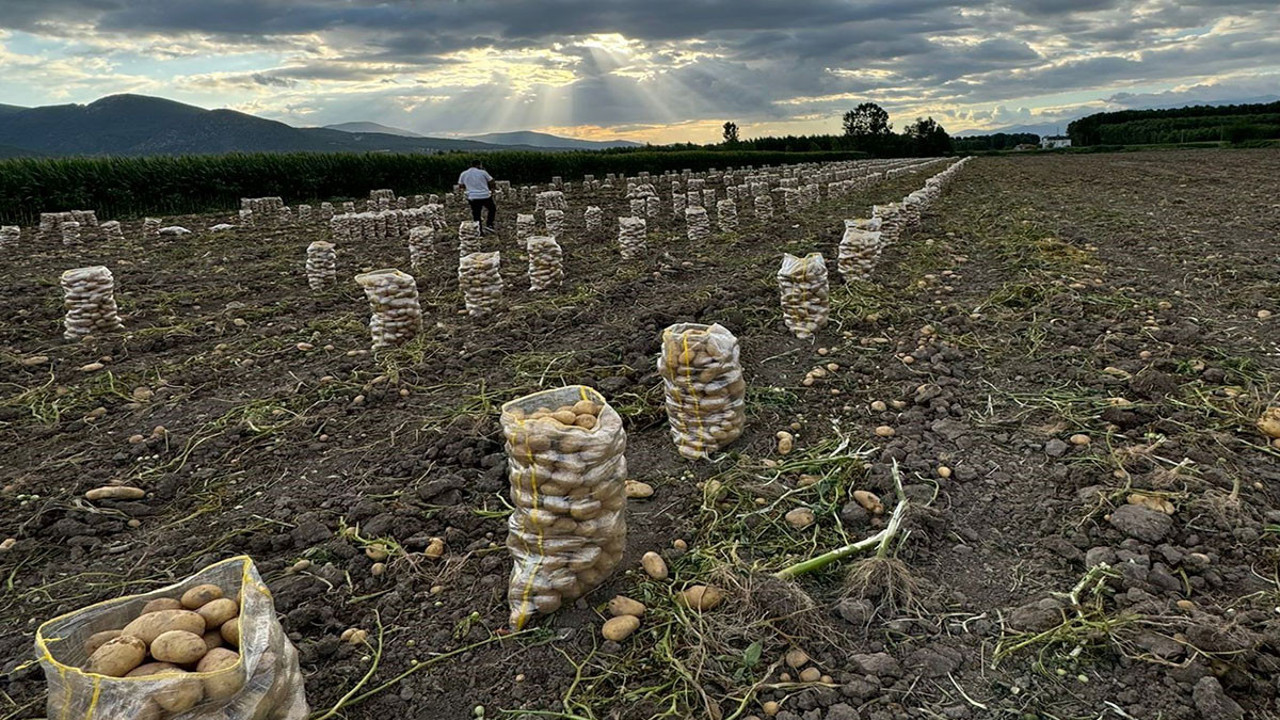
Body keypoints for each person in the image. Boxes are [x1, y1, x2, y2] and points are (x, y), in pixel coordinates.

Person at [457, 160, 496, 234]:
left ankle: (478, 230)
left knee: (476, 214)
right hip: (485, 195)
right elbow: (491, 181)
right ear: (479, 165)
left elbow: (461, 185)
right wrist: (492, 189)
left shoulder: (464, 173)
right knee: (492, 209)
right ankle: (489, 224)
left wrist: (468, 188)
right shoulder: (483, 172)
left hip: (473, 196)